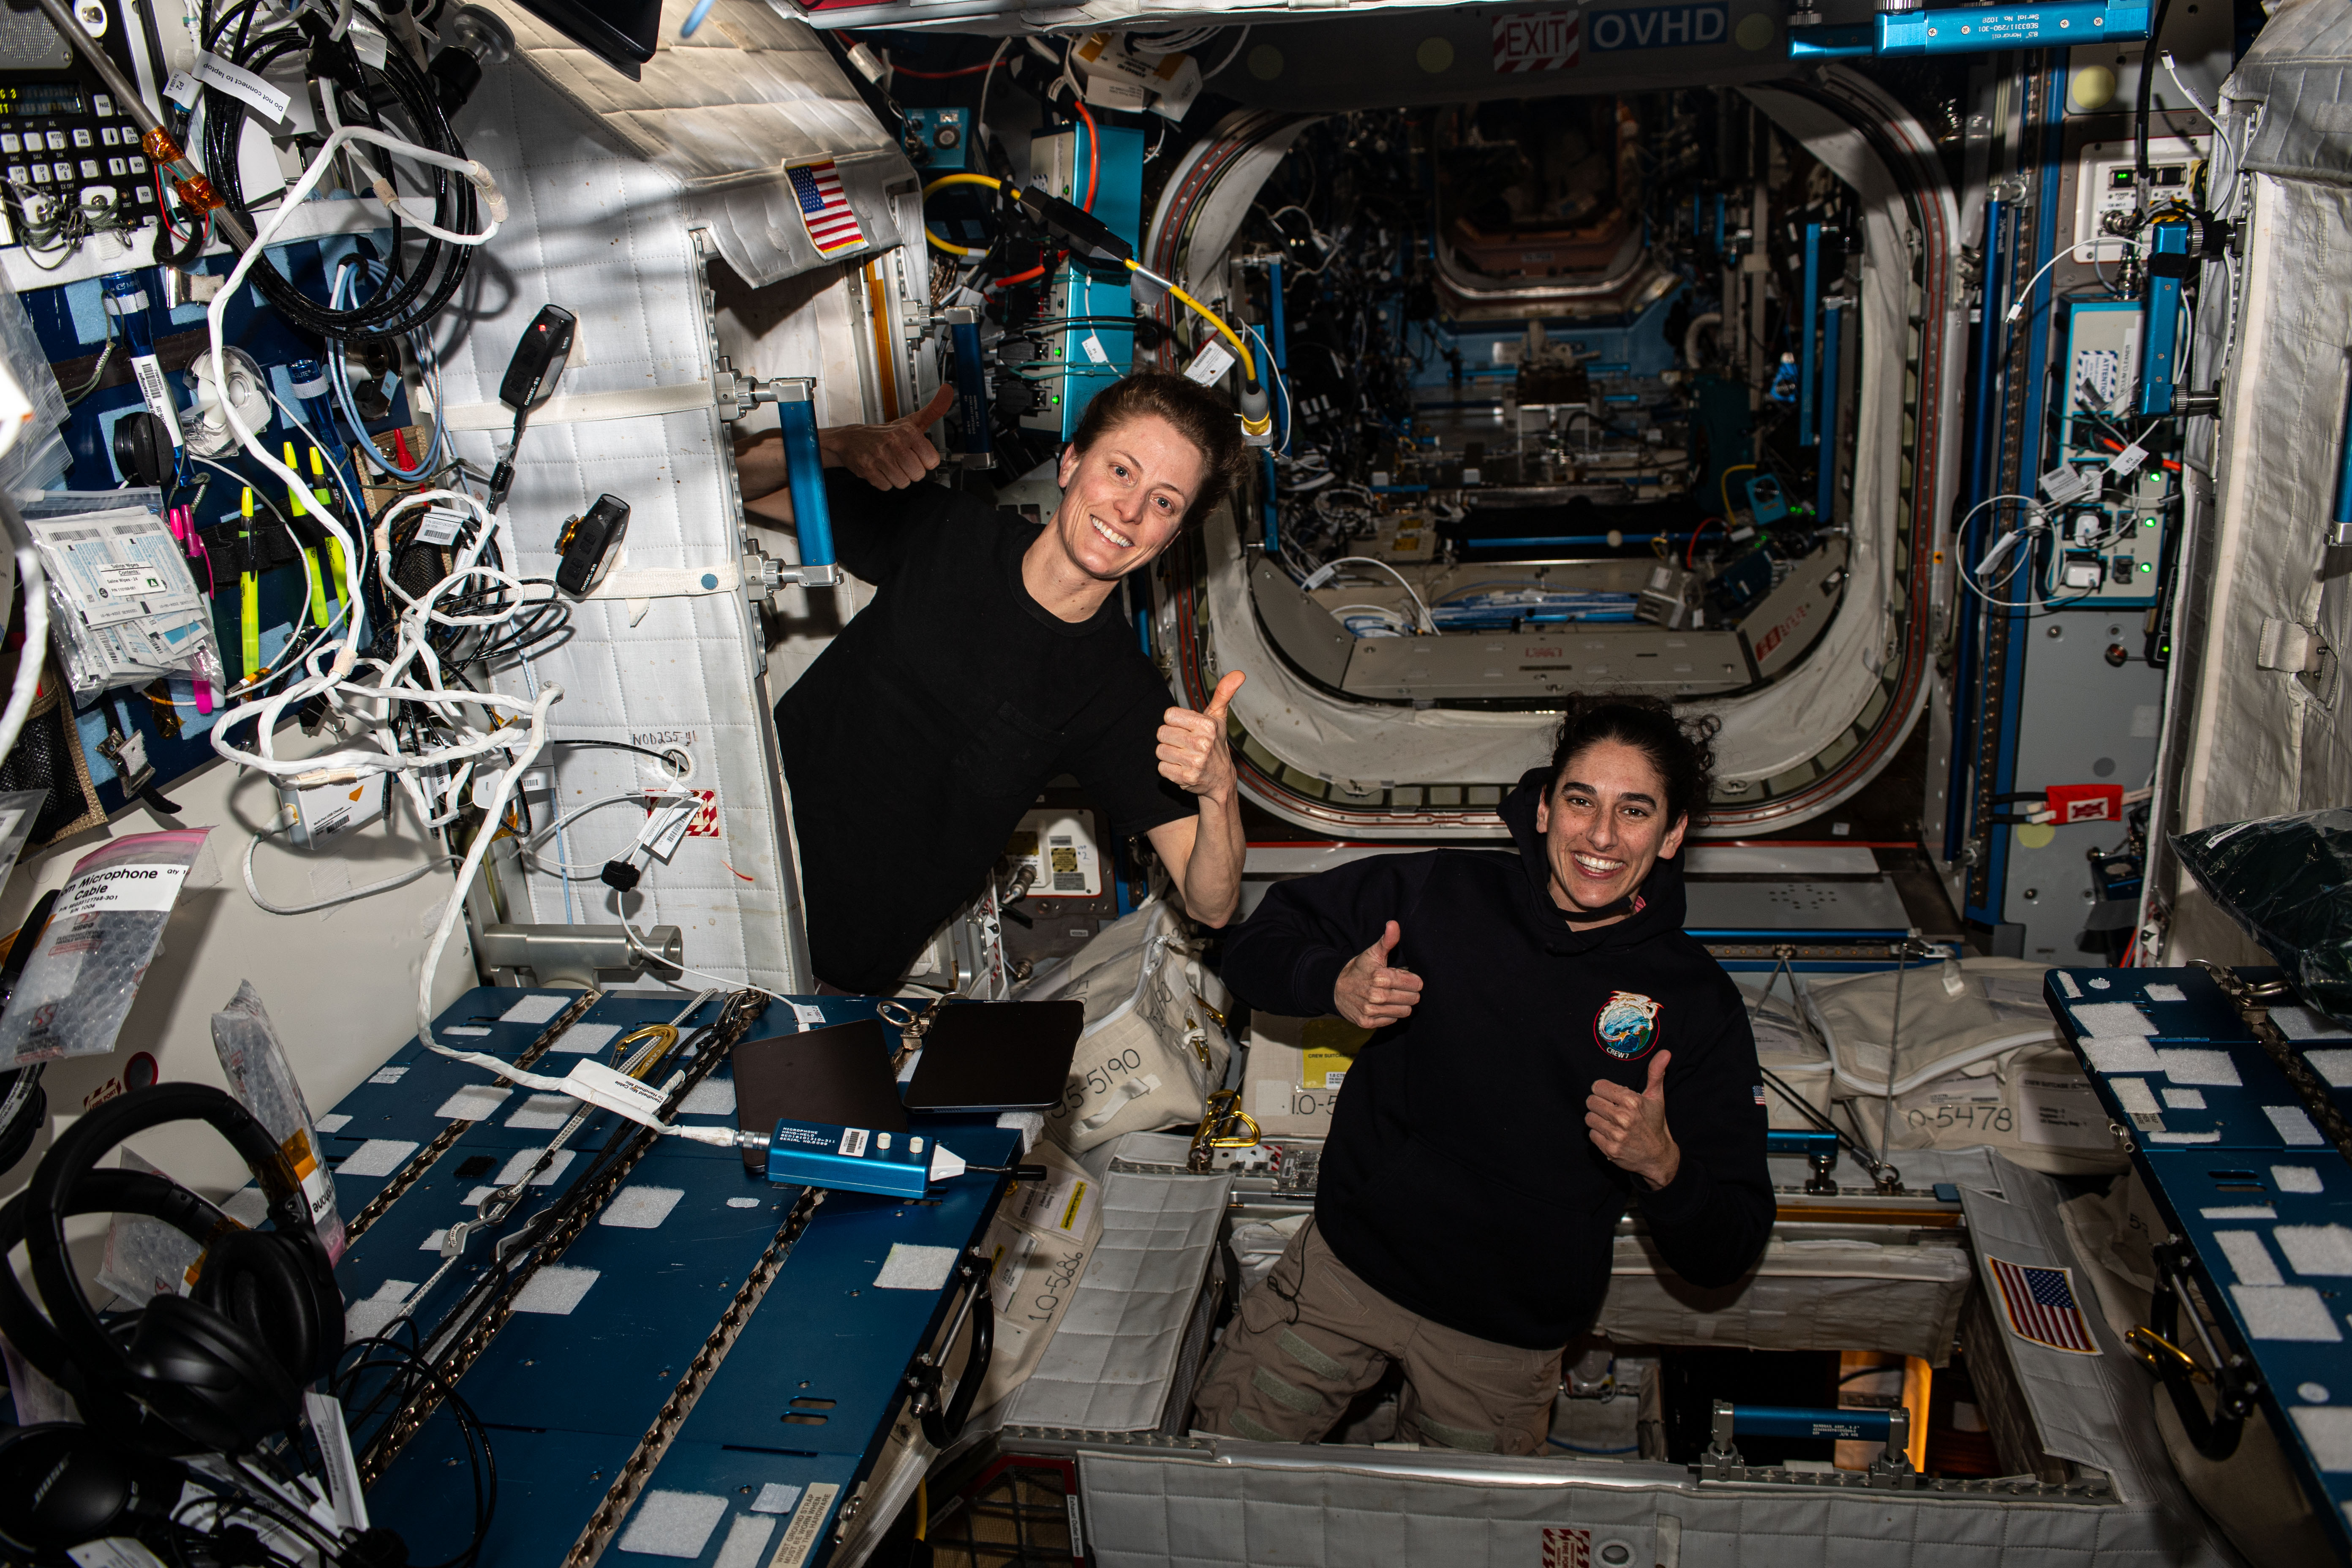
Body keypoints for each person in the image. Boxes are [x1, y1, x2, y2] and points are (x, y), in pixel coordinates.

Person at [1190, 695, 1772, 1453]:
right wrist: (1331, 982)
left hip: (1501, 1345)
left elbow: (1729, 1247)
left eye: (1634, 811)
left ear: (1672, 835)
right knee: (1217, 1467)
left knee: (1456, 1545)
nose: (1600, 835)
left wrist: (1664, 1167)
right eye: (1579, 801)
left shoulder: (1697, 1002)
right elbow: (1253, 943)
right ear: (1542, 810)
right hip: (1347, 1275)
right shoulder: (1441, 896)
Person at [735, 373, 1251, 994]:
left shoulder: (1118, 694)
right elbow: (739, 484)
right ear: (1070, 463)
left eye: (1165, 502)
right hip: (735, 840)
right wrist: (839, 444)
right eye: (1121, 472)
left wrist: (1220, 791)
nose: (1132, 510)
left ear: (1173, 535)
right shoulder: (947, 532)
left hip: (822, 962)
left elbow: (1211, 904)